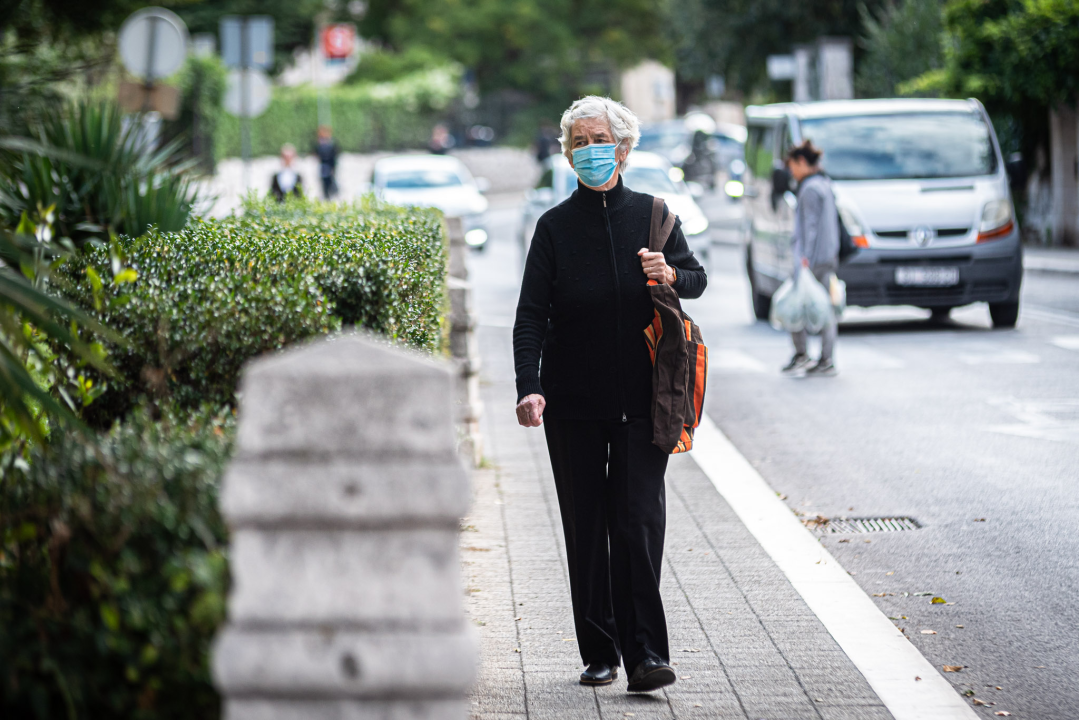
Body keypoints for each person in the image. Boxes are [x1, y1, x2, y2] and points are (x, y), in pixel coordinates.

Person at [513, 96, 707, 694]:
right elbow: (530, 318)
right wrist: (530, 385)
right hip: (571, 405)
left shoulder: (653, 215)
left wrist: (669, 275)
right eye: (579, 141)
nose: (589, 149)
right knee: (586, 528)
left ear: (622, 148)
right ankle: (599, 652)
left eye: (599, 138)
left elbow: (697, 280)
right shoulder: (553, 228)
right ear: (569, 154)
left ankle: (647, 654)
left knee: (637, 526)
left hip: (645, 401)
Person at [782, 140, 840, 376]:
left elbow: (811, 228)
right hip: (827, 256)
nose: (792, 172)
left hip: (812, 261)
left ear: (802, 162)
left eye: (793, 166)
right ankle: (824, 358)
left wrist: (804, 260)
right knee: (825, 307)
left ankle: (803, 354)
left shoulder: (809, 189)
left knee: (797, 306)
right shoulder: (825, 184)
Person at [314, 125, 339, 199]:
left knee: (330, 183)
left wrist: (333, 168)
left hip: (329, 167)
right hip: (323, 168)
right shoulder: (320, 145)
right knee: (324, 185)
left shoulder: (331, 145)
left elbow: (333, 157)